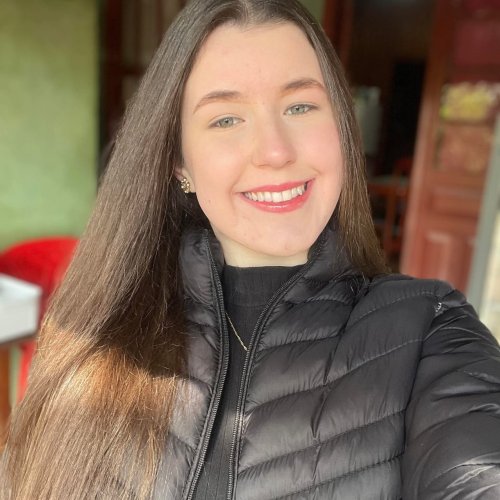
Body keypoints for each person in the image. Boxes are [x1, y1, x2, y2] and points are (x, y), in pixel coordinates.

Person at [2, 0, 500, 498]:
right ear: (180, 164)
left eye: (300, 106)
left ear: (342, 130)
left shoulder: (430, 331)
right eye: (226, 119)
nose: (275, 152)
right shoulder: (97, 332)